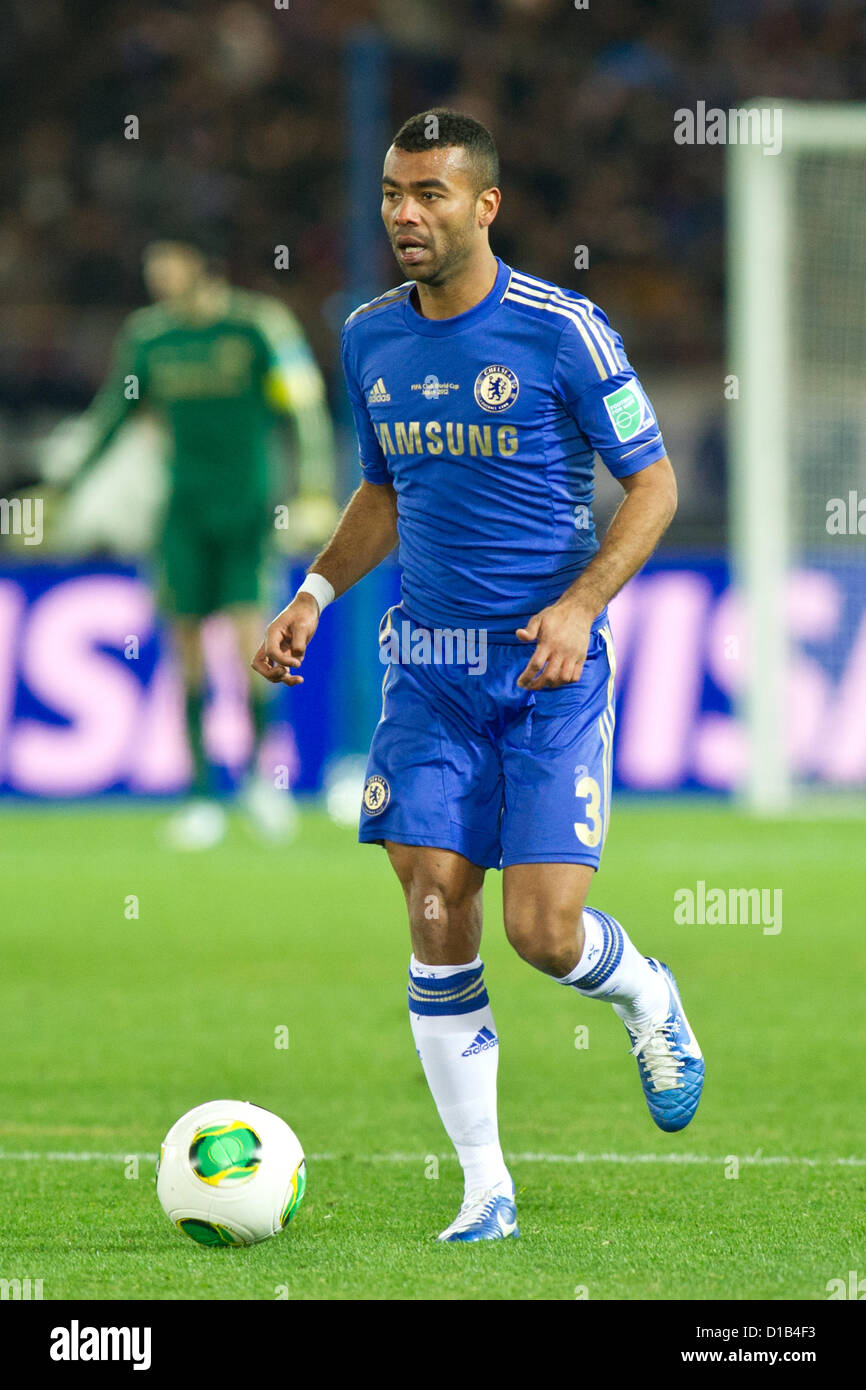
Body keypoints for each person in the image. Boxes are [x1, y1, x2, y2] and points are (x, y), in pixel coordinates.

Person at [252, 109, 704, 1242]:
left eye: (430, 195)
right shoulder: (366, 338)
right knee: (435, 905)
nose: (405, 214)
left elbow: (650, 487)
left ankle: (647, 993)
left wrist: (579, 603)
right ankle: (483, 1188)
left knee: (544, 934)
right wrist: (311, 595)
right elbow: (383, 488)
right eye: (393, 195)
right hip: (429, 676)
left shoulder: (563, 331)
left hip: (549, 675)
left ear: (483, 205)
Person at [55, 238, 337, 848]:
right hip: (180, 515)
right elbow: (113, 413)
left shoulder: (255, 326)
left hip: (246, 514)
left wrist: (314, 486)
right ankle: (201, 795)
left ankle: (262, 782)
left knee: (249, 648)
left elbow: (304, 408)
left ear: (200, 262)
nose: (156, 273)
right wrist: (66, 484)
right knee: (185, 653)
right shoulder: (148, 336)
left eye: (168, 260)